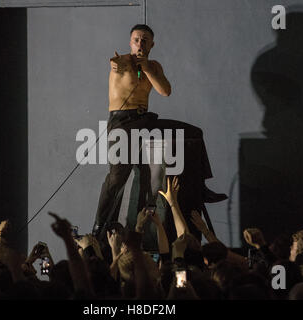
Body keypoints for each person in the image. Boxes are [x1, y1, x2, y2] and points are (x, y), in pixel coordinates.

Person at [92, 24, 226, 240]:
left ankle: (201, 188)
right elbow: (114, 64)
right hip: (123, 123)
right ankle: (99, 227)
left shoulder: (153, 66)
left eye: (145, 40)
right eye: (136, 39)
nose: (140, 43)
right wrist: (115, 64)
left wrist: (145, 67)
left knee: (193, 132)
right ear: (130, 42)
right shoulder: (123, 61)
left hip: (145, 120)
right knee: (117, 178)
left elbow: (165, 91)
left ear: (152, 44)